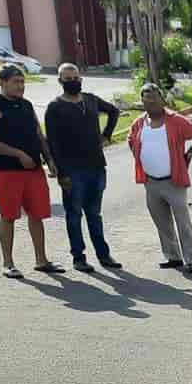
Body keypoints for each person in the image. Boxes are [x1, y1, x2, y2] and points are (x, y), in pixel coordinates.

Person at [0, 64, 61, 277]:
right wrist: (17, 154)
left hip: (33, 169)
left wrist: (48, 158)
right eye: (15, 82)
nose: (20, 86)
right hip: (6, 171)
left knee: (37, 214)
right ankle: (8, 263)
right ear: (2, 82)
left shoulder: (26, 105)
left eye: (22, 82)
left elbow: (38, 133)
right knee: (8, 216)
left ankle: (41, 260)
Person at [44, 62, 120, 273]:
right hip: (72, 171)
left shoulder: (91, 100)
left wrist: (106, 136)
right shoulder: (55, 107)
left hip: (96, 167)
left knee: (94, 214)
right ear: (60, 82)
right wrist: (60, 172)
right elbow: (53, 143)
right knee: (74, 214)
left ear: (81, 79)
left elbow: (113, 111)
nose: (72, 82)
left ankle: (104, 255)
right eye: (67, 79)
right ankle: (78, 257)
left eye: (75, 77)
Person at [127, 85, 192, 274]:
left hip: (173, 181)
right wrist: (141, 158)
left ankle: (191, 260)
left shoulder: (176, 121)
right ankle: (173, 256)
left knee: (183, 222)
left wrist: (188, 156)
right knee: (162, 221)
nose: (150, 103)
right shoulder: (139, 123)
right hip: (151, 182)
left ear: (162, 100)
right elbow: (131, 139)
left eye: (154, 99)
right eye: (146, 99)